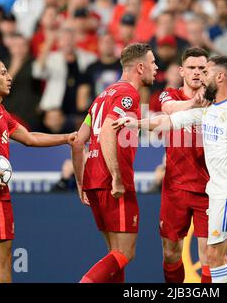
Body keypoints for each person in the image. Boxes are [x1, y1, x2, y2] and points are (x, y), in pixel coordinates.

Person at [113, 55, 227, 283]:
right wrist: (137, 123)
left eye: (207, 72)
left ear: (220, 77)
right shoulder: (209, 109)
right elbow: (171, 121)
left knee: (214, 257)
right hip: (219, 191)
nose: (201, 76)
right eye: (194, 69)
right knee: (222, 256)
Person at [0, 58, 77, 283]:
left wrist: (66, 138)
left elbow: (30, 138)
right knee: (3, 259)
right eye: (2, 73)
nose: (9, 77)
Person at [71, 43, 158, 283]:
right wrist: (117, 177)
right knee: (125, 252)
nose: (156, 68)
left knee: (115, 254)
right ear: (140, 67)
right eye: (152, 63)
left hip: (93, 180)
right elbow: (109, 129)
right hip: (112, 183)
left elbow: (78, 142)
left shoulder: (102, 96)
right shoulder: (128, 95)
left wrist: (80, 181)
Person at [157, 47, 211, 283]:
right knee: (171, 253)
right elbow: (168, 110)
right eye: (192, 68)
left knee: (209, 256)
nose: (197, 72)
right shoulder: (169, 95)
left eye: (202, 68)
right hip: (175, 188)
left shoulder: (218, 99)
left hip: (209, 189)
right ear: (181, 71)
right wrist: (193, 104)